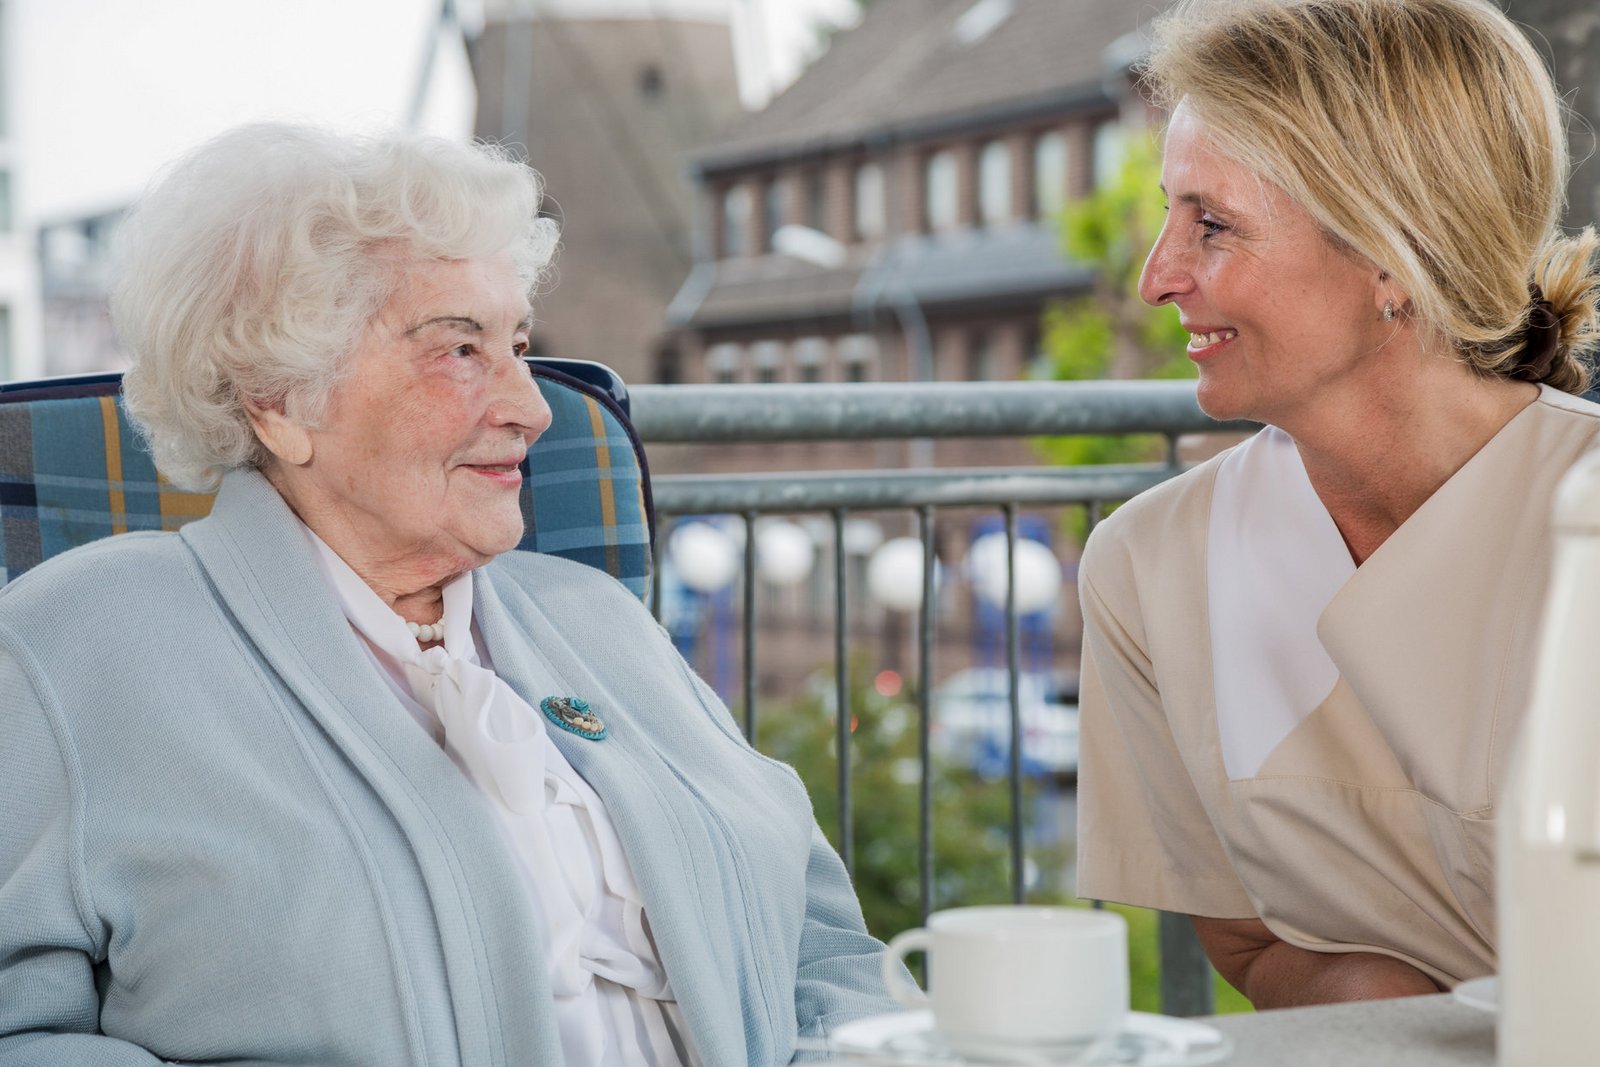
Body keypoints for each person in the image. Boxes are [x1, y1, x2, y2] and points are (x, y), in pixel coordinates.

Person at [0, 124, 897, 1065]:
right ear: (277, 399)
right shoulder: (79, 646)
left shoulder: (596, 620)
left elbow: (830, 950)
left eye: (517, 343)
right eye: (460, 350)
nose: (533, 406)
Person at [1075, 0, 1600, 1009]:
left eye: (1211, 223)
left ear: (1390, 258)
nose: (1156, 277)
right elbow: (1245, 940)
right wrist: (1388, 1003)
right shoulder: (1146, 568)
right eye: (1169, 215)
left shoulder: (1581, 517)